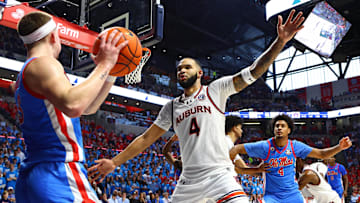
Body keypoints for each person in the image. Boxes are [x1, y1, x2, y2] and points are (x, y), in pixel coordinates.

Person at [89, 9, 306, 203]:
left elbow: (254, 71)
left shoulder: (216, 90)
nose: (182, 70)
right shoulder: (171, 107)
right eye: (179, 68)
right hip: (188, 182)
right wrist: (115, 162)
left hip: (219, 175)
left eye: (188, 67)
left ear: (200, 73)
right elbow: (145, 139)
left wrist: (280, 42)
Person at [14, 11, 128, 202]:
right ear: (53, 36)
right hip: (57, 170)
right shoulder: (44, 65)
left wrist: (111, 71)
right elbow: (74, 105)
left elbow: (87, 106)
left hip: (37, 172)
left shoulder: (29, 72)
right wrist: (105, 63)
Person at [230, 114, 352, 202]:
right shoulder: (265, 146)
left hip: (292, 194)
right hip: (272, 196)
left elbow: (321, 154)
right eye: (277, 126)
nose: (279, 128)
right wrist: (249, 170)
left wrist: (339, 147)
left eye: (282, 126)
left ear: (289, 130)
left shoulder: (295, 146)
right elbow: (236, 149)